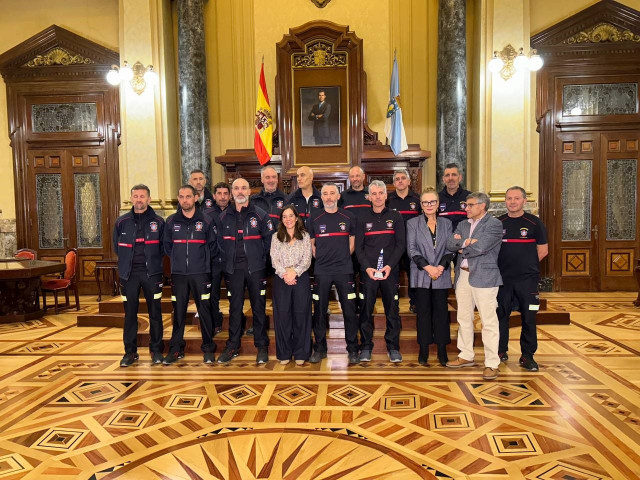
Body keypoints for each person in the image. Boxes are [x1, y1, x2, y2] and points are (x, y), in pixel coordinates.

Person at [446, 192, 503, 380]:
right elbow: (450, 243)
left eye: (470, 205)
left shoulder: (494, 224)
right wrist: (465, 243)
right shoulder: (462, 224)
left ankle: (492, 363)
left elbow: (482, 247)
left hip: (485, 277)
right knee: (463, 317)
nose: (466, 208)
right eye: (466, 205)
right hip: (463, 276)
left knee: (488, 321)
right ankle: (466, 355)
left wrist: (463, 246)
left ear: (482, 206)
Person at [217, 178, 274, 364]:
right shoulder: (223, 217)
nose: (240, 192)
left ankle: (262, 346)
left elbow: (269, 242)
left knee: (258, 307)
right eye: (236, 188)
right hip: (233, 271)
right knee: (234, 309)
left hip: (256, 269)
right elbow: (218, 244)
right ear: (231, 193)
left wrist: (259, 260)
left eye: (243, 188)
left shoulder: (261, 215)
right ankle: (232, 346)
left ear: (250, 192)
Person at [163, 185, 219, 365]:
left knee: (204, 311)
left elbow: (213, 247)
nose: (185, 200)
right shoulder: (171, 222)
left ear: (195, 198)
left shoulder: (207, 220)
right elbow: (167, 247)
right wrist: (179, 262)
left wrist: (200, 262)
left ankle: (208, 348)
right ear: (178, 199)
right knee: (178, 312)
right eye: (181, 197)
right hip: (179, 275)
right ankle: (175, 349)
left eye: (188, 196)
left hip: (201, 274)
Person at [497, 186, 548, 371]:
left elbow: (543, 251)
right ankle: (500, 351)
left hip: (527, 281)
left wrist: (525, 266)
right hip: (502, 280)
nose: (512, 202)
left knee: (529, 318)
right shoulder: (498, 223)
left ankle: (527, 356)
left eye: (516, 198)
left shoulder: (535, 223)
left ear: (524, 201)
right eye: (509, 198)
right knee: (501, 316)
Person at [114, 184, 166, 367]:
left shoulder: (159, 223)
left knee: (155, 313)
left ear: (149, 199)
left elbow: (163, 248)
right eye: (135, 196)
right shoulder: (121, 222)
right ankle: (130, 352)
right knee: (129, 315)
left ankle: (157, 350)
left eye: (142, 196)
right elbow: (117, 247)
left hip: (152, 275)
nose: (139, 199)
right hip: (129, 276)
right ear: (131, 199)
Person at [308, 183, 359, 364]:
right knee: (320, 311)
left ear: (338, 196)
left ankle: (353, 349)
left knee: (349, 311)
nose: (329, 197)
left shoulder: (349, 216)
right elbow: (312, 244)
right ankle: (319, 349)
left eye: (332, 194)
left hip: (344, 270)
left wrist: (343, 257)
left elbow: (352, 242)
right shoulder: (314, 217)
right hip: (322, 270)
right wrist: (322, 258)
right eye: (325, 194)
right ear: (321, 197)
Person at [356, 180, 406, 363]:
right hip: (368, 273)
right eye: (374, 193)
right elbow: (359, 248)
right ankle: (366, 347)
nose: (377, 197)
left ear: (386, 195)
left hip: (389, 272)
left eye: (380, 193)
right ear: (369, 196)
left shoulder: (396, 217)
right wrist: (367, 267)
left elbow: (401, 244)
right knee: (365, 310)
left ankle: (393, 347)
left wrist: (389, 266)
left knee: (392, 310)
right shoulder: (361, 218)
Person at [406, 187, 454, 367]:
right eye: (425, 202)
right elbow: (411, 250)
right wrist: (428, 268)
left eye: (432, 202)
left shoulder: (447, 224)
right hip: (421, 274)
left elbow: (450, 248)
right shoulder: (413, 223)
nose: (429, 205)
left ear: (438, 203)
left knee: (441, 314)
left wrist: (440, 267)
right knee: (423, 314)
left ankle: (442, 349)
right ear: (420, 204)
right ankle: (424, 349)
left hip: (441, 274)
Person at [270, 205, 313, 365]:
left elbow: (307, 258)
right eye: (285, 217)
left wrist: (294, 273)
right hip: (281, 279)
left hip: (300, 278)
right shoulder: (276, 237)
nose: (288, 219)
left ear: (296, 218)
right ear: (281, 220)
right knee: (283, 317)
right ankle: (284, 353)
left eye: (291, 216)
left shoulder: (305, 236)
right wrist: (285, 274)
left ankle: (301, 352)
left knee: (301, 315)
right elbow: (274, 259)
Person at [387, 170, 420, 312]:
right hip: (393, 244)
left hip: (412, 244)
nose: (400, 181)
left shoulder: (418, 199)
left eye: (403, 178)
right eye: (397, 179)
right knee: (393, 274)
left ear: (409, 181)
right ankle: (393, 303)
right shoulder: (388, 200)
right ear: (394, 183)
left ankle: (415, 302)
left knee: (413, 273)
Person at [339, 165, 371, 313]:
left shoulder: (371, 193)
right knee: (350, 276)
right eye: (352, 176)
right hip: (349, 243)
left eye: (358, 176)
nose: (355, 179)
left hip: (368, 243)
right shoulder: (343, 196)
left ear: (363, 177)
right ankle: (351, 306)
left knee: (365, 276)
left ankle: (365, 305)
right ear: (349, 178)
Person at [203, 181, 231, 335]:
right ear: (214, 196)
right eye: (219, 193)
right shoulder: (206, 215)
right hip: (213, 262)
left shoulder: (235, 212)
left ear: (230, 195)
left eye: (225, 193)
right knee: (212, 294)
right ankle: (215, 322)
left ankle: (236, 324)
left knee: (235, 295)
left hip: (231, 261)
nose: (222, 197)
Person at [438, 163, 472, 232]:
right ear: (443, 179)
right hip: (444, 240)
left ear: (460, 178)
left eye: (454, 175)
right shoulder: (437, 199)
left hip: (465, 239)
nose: (450, 178)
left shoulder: (470, 197)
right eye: (447, 175)